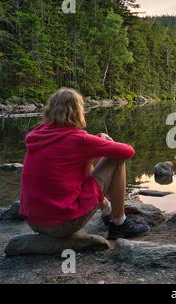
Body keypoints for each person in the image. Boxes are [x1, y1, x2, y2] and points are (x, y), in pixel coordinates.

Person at [19, 88, 150, 240]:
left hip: (34, 222)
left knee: (84, 158)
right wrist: (101, 143)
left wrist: (95, 144)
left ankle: (107, 211)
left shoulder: (38, 135)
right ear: (77, 111)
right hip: (62, 224)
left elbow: (71, 151)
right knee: (116, 158)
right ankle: (120, 223)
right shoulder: (79, 140)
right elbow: (128, 151)